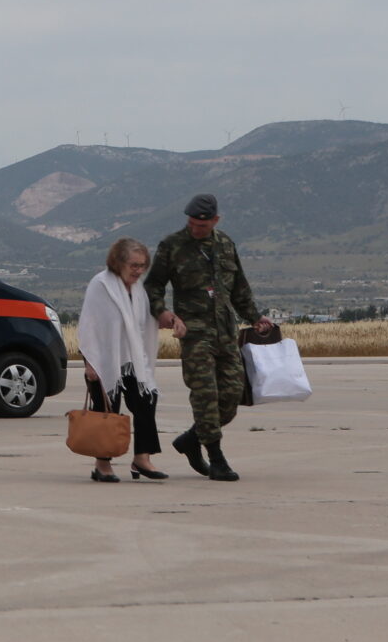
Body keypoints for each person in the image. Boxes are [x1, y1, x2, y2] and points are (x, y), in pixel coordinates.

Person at [147, 193, 275, 482]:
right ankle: (216, 459)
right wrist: (162, 312)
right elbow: (153, 285)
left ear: (215, 221)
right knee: (205, 395)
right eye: (192, 224)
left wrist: (255, 317)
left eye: (202, 226)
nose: (196, 229)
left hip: (225, 332)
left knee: (231, 396)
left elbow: (239, 288)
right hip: (194, 334)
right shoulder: (172, 245)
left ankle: (191, 440)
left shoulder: (226, 244)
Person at [77, 238, 168, 483]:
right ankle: (102, 465)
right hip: (105, 361)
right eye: (134, 265)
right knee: (107, 410)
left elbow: (145, 322)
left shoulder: (139, 290)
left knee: (147, 401)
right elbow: (89, 324)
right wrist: (90, 362)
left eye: (142, 266)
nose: (139, 271)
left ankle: (142, 457)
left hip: (133, 359)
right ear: (118, 262)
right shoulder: (101, 285)